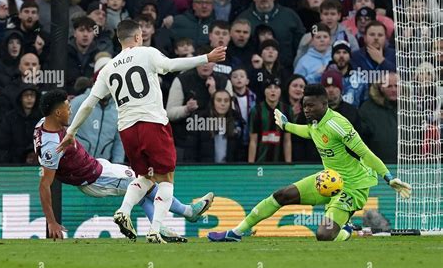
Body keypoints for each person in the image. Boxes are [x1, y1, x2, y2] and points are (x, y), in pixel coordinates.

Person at [57, 19, 226, 243]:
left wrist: (71, 132)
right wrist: (206, 58)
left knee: (145, 177)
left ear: (119, 40)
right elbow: (172, 65)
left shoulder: (109, 67)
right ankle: (155, 230)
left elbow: (88, 103)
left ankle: (124, 211)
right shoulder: (147, 53)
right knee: (166, 178)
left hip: (127, 129)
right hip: (152, 123)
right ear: (138, 37)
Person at [208, 83, 411, 242]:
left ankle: (347, 231)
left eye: (311, 105)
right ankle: (236, 232)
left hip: (353, 187)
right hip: (329, 180)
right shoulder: (315, 122)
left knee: (324, 235)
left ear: (324, 104)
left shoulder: (338, 125)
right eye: (304, 105)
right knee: (282, 195)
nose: (306, 110)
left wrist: (388, 177)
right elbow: (309, 132)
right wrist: (287, 126)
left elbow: (365, 153)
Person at [36, 89, 214, 241]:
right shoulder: (53, 147)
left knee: (141, 191)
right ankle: (187, 212)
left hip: (97, 166)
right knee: (146, 182)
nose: (71, 112)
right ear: (57, 113)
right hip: (96, 178)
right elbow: (45, 185)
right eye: (68, 109)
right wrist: (51, 222)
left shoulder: (43, 125)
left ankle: (158, 227)